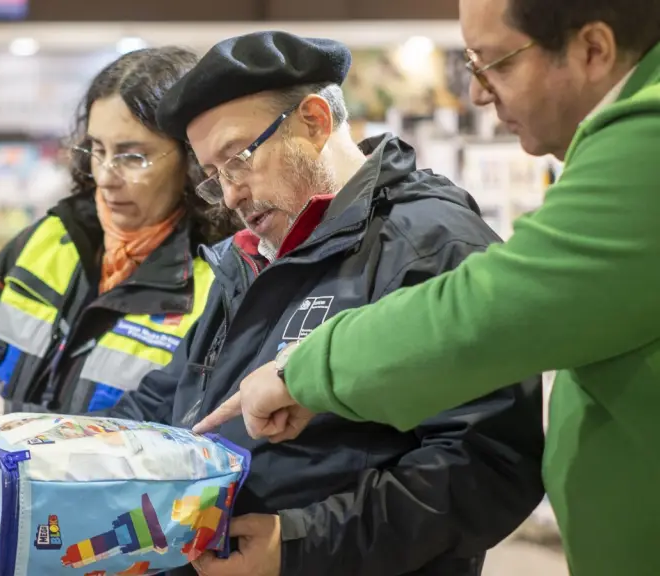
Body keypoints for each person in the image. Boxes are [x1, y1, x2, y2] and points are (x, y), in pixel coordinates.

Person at [0, 31, 546, 576]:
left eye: (239, 159)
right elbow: (166, 407)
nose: (229, 194)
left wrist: (296, 545)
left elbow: (488, 465)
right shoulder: (252, 256)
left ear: (314, 121)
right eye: (213, 174)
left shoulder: (429, 246)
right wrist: (19, 444)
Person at [194, 4, 660, 576]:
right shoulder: (248, 254)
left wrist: (302, 373)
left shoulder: (647, 145)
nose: (478, 92)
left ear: (593, 50)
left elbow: (491, 315)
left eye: (496, 63)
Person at [0, 46, 238, 574]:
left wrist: (15, 422)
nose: (106, 175)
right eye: (96, 149)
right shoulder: (49, 238)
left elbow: (173, 447)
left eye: (132, 155)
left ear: (192, 158)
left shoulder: (216, 284)